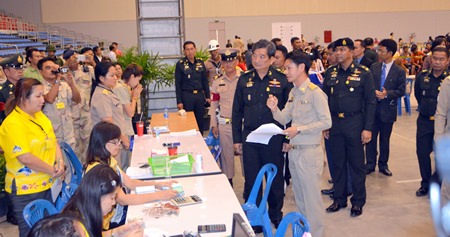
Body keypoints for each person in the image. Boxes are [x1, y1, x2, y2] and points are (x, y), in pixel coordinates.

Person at [267, 51, 331, 237]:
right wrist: (273, 108)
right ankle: (306, 232)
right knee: (301, 198)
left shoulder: (315, 93)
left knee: (312, 200)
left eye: (289, 67)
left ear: (302, 67)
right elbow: (284, 117)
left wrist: (300, 129)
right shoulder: (294, 92)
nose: (285, 71)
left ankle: (316, 233)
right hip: (295, 152)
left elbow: (326, 122)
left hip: (309, 153)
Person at [232, 39, 291, 228]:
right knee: (252, 180)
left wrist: (287, 138)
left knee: (274, 178)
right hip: (249, 138)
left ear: (272, 59)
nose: (257, 60)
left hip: (274, 138)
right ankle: (255, 217)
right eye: (255, 55)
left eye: (262, 56)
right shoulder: (244, 79)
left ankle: (275, 214)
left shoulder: (282, 80)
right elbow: (236, 111)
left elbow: (290, 113)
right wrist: (236, 139)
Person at [0, 78, 65, 237]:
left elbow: (53, 140)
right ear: (23, 97)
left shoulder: (40, 116)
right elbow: (25, 157)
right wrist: (53, 170)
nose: (43, 100)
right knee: (31, 231)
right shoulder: (13, 123)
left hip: (47, 183)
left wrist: (60, 163)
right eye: (38, 96)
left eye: (43, 95)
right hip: (26, 189)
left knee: (48, 228)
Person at [84, 121, 178, 229]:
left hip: (115, 215)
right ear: (102, 143)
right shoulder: (98, 170)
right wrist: (160, 196)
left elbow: (130, 183)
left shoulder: (109, 160)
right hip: (108, 225)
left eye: (119, 141)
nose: (119, 145)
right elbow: (124, 200)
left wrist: (157, 185)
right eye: (115, 142)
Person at [322, 38, 376, 217]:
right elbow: (325, 102)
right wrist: (325, 124)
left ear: (352, 52)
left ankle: (358, 201)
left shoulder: (364, 73)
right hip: (335, 125)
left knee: (356, 165)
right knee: (337, 164)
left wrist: (367, 128)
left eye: (342, 49)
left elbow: (370, 102)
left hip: (355, 124)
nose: (338, 53)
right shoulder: (330, 73)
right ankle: (339, 199)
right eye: (336, 50)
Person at [62, 164, 143, 237]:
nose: (114, 202)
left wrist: (116, 232)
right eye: (112, 197)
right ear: (98, 196)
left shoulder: (85, 209)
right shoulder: (77, 228)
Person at [365, 39, 406, 176]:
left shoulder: (399, 71)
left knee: (385, 140)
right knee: (370, 139)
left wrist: (387, 94)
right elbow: (368, 85)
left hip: (388, 110)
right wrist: (373, 92)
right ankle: (370, 164)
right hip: (373, 110)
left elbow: (401, 91)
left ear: (390, 53)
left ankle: (383, 164)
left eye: (382, 51)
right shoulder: (374, 67)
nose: (379, 53)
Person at [414, 46, 449, 197]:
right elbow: (418, 96)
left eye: (441, 59)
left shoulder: (448, 81)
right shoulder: (422, 76)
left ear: (448, 61)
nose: (437, 62)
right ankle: (425, 183)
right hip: (424, 121)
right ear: (430, 59)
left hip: (443, 124)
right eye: (435, 58)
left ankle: (439, 184)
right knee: (422, 153)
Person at [90, 62, 130, 170]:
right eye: (111, 75)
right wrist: (122, 138)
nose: (115, 78)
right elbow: (108, 121)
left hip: (116, 140)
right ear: (102, 78)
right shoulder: (102, 95)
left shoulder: (108, 91)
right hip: (109, 143)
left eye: (116, 75)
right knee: (116, 173)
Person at [210, 48, 241, 185]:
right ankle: (229, 185)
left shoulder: (244, 79)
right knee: (226, 157)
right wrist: (213, 124)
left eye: (231, 61)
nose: (228, 64)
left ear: (237, 61)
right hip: (225, 125)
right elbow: (213, 105)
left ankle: (249, 186)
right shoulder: (217, 82)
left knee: (246, 157)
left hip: (242, 125)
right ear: (222, 63)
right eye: (225, 62)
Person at [0, 54, 24, 225]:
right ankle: (12, 212)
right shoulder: (3, 92)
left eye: (21, 67)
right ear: (6, 70)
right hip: (10, 137)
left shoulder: (26, 88)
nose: (20, 70)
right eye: (16, 68)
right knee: (14, 172)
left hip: (26, 136)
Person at [39, 57, 81, 150]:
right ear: (40, 72)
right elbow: (50, 99)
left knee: (70, 163)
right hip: (52, 135)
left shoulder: (64, 85)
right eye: (48, 68)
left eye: (53, 67)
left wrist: (71, 84)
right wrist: (58, 78)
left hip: (68, 133)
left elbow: (77, 100)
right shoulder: (39, 88)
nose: (52, 70)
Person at [175, 41, 210, 132]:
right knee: (188, 121)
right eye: (187, 49)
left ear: (195, 50)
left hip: (199, 96)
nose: (190, 51)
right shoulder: (180, 64)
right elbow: (177, 84)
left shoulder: (200, 63)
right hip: (187, 96)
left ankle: (200, 140)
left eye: (192, 49)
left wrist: (208, 96)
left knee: (200, 121)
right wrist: (179, 101)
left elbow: (205, 81)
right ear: (184, 51)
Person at [66, 52, 93, 161]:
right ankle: (78, 171)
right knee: (75, 145)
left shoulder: (87, 70)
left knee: (88, 144)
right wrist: (66, 65)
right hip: (72, 115)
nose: (73, 61)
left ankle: (88, 168)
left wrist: (92, 61)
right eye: (69, 59)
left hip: (86, 113)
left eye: (75, 58)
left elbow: (101, 74)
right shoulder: (64, 73)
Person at [113, 64, 144, 140]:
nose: (138, 83)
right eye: (138, 80)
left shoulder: (124, 87)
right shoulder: (121, 88)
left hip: (124, 128)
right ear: (132, 76)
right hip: (124, 131)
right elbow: (130, 113)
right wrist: (135, 97)